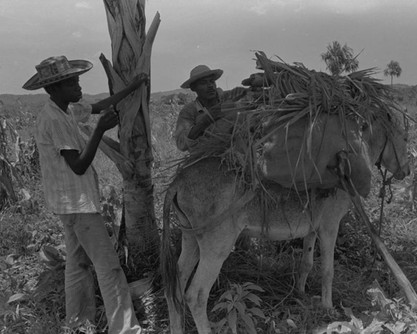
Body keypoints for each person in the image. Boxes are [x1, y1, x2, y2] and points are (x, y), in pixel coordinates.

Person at [22, 55, 146, 334]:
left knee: (77, 264)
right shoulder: (54, 119)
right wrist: (100, 129)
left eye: (77, 81)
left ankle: (78, 322)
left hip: (68, 204)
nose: (78, 87)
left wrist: (133, 86)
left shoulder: (65, 109)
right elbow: (78, 166)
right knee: (108, 266)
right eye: (71, 83)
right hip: (79, 204)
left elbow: (100, 105)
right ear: (53, 89)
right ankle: (126, 329)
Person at [173, 65, 249, 152]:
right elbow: (181, 143)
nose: (210, 86)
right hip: (205, 159)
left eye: (212, 81)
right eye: (203, 83)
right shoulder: (189, 111)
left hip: (236, 153)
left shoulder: (229, 98)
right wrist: (206, 121)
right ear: (193, 88)